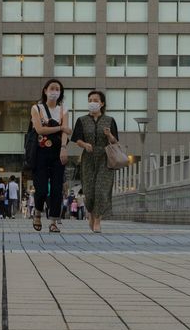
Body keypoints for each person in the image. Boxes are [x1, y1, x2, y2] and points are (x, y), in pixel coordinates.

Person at [71, 90, 122, 234]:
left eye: (95, 100)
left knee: (101, 190)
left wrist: (109, 135)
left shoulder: (110, 120)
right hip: (88, 159)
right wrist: (85, 145)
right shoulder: (82, 120)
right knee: (89, 192)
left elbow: (114, 141)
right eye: (90, 100)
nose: (92, 103)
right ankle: (91, 215)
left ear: (102, 103)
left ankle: (98, 220)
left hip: (105, 158)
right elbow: (77, 139)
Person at [29, 78, 70, 233]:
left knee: (57, 188)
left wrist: (64, 147)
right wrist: (61, 127)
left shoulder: (63, 110)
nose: (55, 92)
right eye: (52, 88)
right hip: (40, 152)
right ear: (45, 91)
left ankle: (53, 221)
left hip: (58, 151)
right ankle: (37, 212)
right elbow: (39, 130)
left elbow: (65, 134)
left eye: (58, 89)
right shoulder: (36, 108)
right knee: (41, 189)